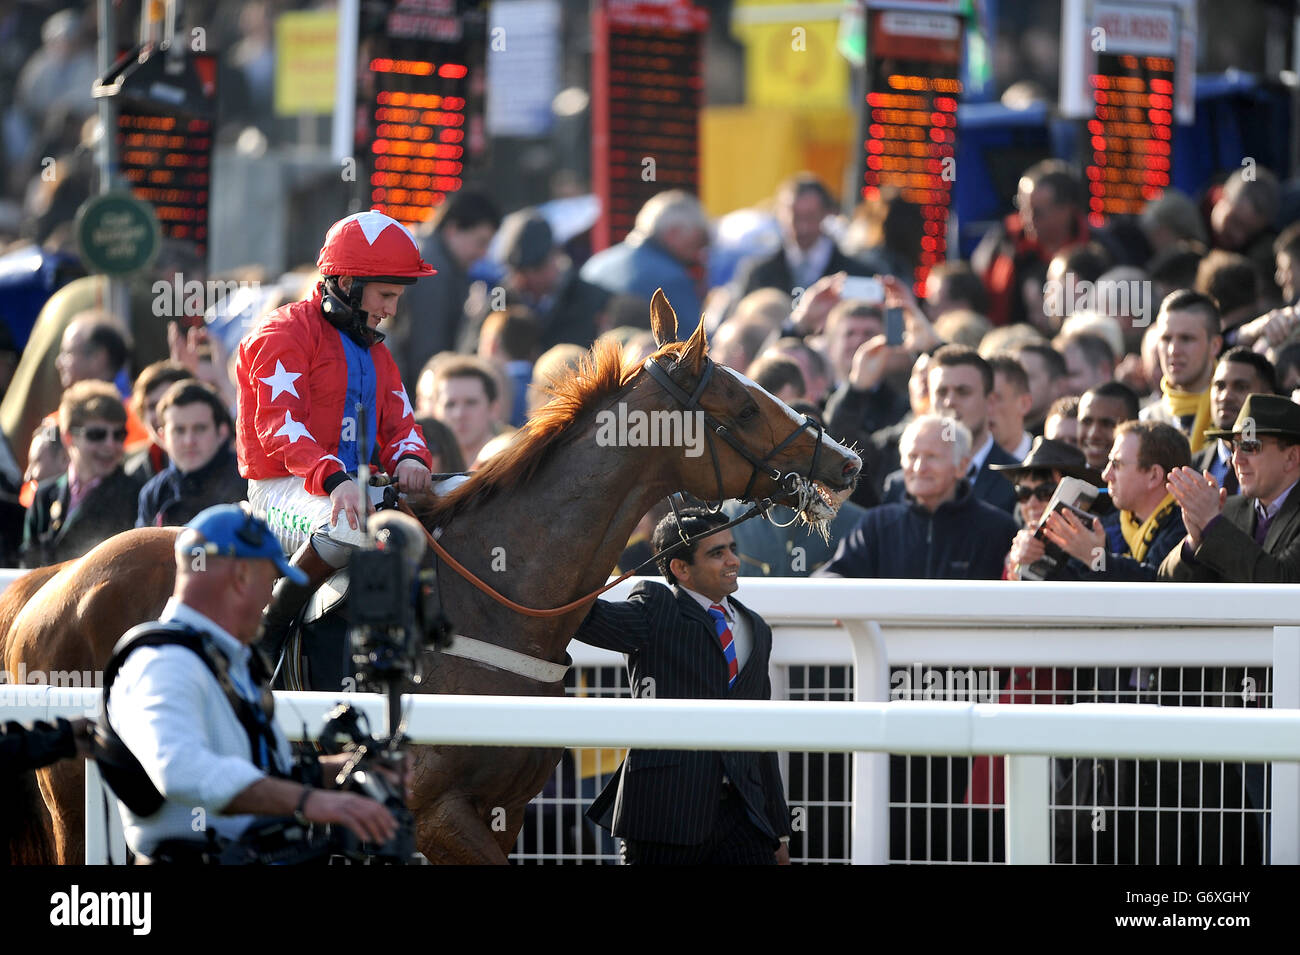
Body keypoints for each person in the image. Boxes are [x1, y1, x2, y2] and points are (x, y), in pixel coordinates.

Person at [99, 505, 401, 863]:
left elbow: (257, 774)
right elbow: (180, 771)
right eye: (270, 579)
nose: (272, 597)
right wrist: (312, 801)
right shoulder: (161, 662)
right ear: (241, 577)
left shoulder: (229, 660)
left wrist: (344, 768)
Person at [235, 211, 435, 655]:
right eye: (386, 295)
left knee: (458, 498)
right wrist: (335, 478)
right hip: (281, 489)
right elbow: (279, 428)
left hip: (352, 488)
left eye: (397, 297)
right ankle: (268, 633)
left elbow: (402, 426)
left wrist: (410, 460)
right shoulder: (282, 333)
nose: (391, 310)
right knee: (345, 528)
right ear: (347, 284)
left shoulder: (376, 351)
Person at [573, 508, 792, 864]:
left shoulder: (756, 627)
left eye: (731, 548)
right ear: (680, 569)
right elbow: (583, 616)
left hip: (745, 819)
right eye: (717, 553)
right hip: (664, 817)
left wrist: (777, 830)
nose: (733, 560)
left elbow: (760, 736)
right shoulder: (656, 608)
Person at [817, 415, 1017, 579]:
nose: (920, 468)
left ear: (962, 466)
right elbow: (832, 579)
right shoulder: (876, 526)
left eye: (932, 457)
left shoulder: (998, 530)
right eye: (912, 457)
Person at [1159, 394, 1300, 583]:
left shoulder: (1218, 520)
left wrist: (1211, 524)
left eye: (1250, 446)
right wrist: (1195, 542)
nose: (1236, 459)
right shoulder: (1228, 512)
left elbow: (1283, 581)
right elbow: (1165, 580)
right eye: (1234, 447)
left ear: (1291, 457)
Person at [881, 345, 1020, 514]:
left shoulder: (1018, 480)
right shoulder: (901, 485)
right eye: (941, 392)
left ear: (990, 402)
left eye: (963, 392)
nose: (949, 402)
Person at [21, 380, 143, 567]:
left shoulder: (137, 495)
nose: (110, 444)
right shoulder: (44, 496)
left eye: (118, 435)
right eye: (97, 435)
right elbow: (28, 564)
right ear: (68, 437)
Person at [387, 190, 501, 381]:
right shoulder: (432, 271)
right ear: (452, 229)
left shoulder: (430, 258)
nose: (483, 253)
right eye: (481, 242)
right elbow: (427, 355)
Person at [465, 210, 610, 352]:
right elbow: (471, 347)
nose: (524, 280)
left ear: (555, 256)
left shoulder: (590, 298)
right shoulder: (501, 296)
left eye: (535, 269)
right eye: (518, 271)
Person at [581, 190, 710, 334]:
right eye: (700, 239)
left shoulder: (594, 265)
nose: (700, 251)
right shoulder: (671, 279)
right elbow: (692, 344)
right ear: (674, 232)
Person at [734, 174, 869, 297]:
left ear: (827, 214)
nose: (803, 228)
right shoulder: (758, 273)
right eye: (795, 218)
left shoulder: (857, 274)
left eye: (810, 217)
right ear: (779, 215)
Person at [137, 381, 246, 528]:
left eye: (200, 428)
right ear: (162, 437)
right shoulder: (153, 494)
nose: (189, 441)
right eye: (179, 430)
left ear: (222, 433)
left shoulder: (247, 482)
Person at [1139, 290, 1222, 454]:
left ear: (1214, 346)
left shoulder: (1235, 411)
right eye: (1166, 338)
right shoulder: (1146, 421)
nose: (1173, 350)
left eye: (1186, 339)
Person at [1192, 348, 1277, 496]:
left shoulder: (1282, 469)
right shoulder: (1192, 467)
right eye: (1219, 386)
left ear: (1266, 398)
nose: (1225, 396)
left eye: (1240, 387)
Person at [427, 355, 504, 466]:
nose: (459, 414)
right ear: (435, 411)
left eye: (471, 403)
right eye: (450, 404)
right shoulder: (423, 471)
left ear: (493, 409)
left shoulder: (513, 467)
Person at [1077, 381, 1140, 473]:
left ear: (1134, 427)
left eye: (1107, 424)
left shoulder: (1147, 485)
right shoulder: (1057, 479)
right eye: (1087, 422)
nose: (1094, 434)